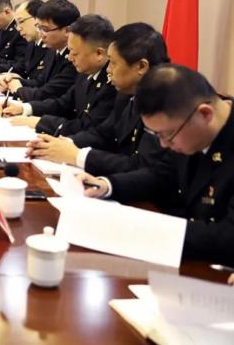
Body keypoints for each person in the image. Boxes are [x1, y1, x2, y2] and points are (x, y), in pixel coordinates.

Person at [80, 64, 234, 264]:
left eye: (167, 134)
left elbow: (228, 236)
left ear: (205, 114)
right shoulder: (188, 128)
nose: (163, 144)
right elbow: (162, 175)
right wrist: (108, 185)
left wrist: (151, 230)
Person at [27, 23, 170, 177]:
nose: (108, 70)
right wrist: (64, 144)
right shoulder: (128, 93)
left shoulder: (165, 103)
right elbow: (104, 134)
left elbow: (142, 166)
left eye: (113, 63)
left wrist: (78, 156)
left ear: (141, 66)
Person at [2, 14, 116, 136]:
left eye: (75, 53)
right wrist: (25, 108)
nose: (70, 58)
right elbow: (62, 104)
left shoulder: (113, 83)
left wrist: (41, 122)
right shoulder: (86, 73)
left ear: (99, 53)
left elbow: (87, 127)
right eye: (69, 51)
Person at [0, 0, 79, 101]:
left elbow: (47, 93)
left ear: (67, 31)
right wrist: (13, 81)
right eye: (39, 28)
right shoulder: (53, 51)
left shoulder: (74, 58)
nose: (41, 34)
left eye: (45, 29)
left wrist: (18, 89)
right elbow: (40, 82)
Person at [8, 0, 48, 79]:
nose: (18, 28)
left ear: (37, 19)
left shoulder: (51, 46)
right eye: (17, 24)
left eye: (21, 21)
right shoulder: (31, 44)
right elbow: (20, 68)